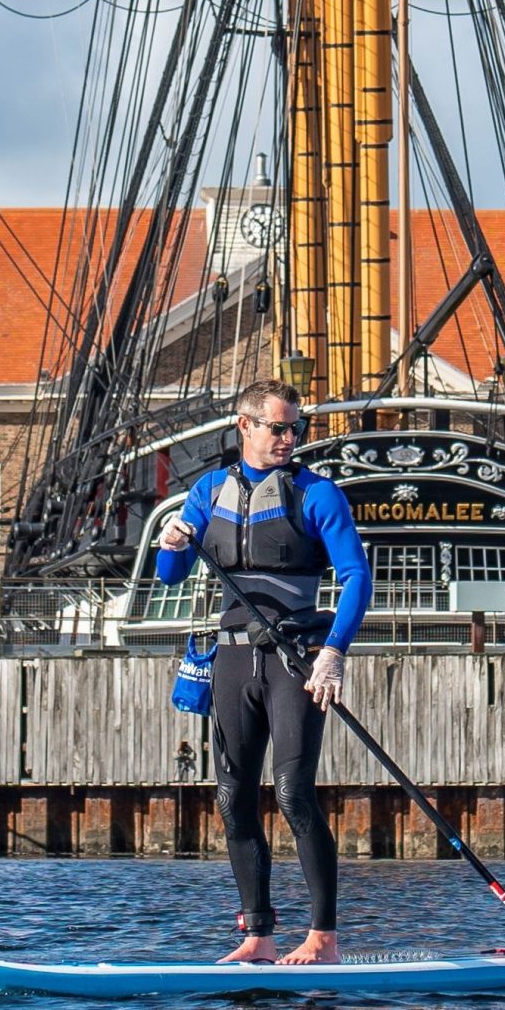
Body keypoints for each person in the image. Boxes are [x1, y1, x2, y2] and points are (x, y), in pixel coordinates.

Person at [150, 381, 374, 965]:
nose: (289, 438)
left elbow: (357, 577)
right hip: (229, 660)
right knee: (231, 797)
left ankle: (322, 936)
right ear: (244, 426)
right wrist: (172, 541)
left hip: (295, 660)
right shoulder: (207, 491)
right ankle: (259, 933)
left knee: (294, 793)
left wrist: (334, 652)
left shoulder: (316, 495)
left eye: (295, 428)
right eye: (278, 427)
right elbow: (169, 573)